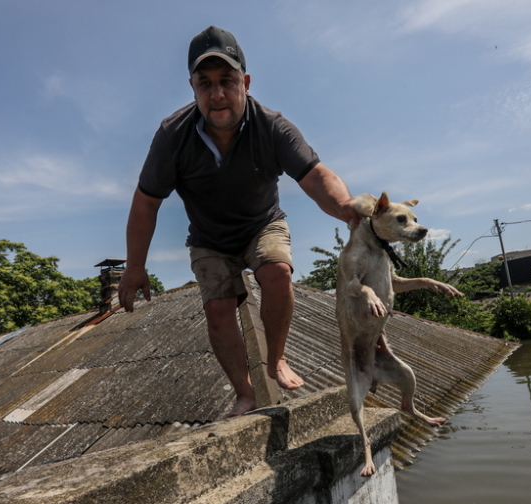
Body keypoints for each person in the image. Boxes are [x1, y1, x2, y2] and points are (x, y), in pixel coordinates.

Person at [118, 25, 357, 418]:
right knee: (218, 307)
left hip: (261, 223)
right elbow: (146, 202)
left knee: (278, 271)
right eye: (205, 83)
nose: (216, 95)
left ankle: (276, 359)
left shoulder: (273, 127)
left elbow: (316, 176)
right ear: (192, 87)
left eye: (227, 81)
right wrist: (135, 268)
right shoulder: (172, 135)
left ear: (245, 82)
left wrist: (346, 206)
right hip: (210, 238)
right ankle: (244, 392)